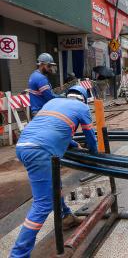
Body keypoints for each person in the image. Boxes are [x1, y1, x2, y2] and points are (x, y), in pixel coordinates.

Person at [10, 85, 98, 257]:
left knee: (54, 184)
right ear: (84, 98)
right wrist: (95, 155)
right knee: (43, 204)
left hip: (23, 146)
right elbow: (91, 138)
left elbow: (53, 127)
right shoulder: (82, 107)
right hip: (40, 151)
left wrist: (72, 144)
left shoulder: (53, 102)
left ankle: (66, 217)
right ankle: (18, 255)